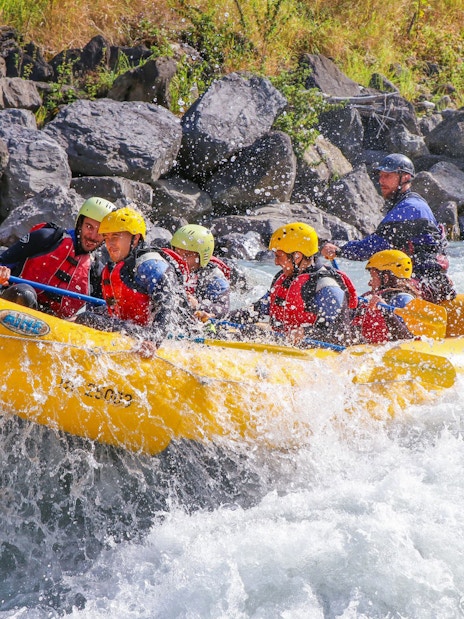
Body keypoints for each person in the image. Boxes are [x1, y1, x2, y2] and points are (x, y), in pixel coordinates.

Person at [321, 153, 456, 304]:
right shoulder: (408, 204)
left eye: (387, 176)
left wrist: (339, 249)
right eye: (380, 175)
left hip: (423, 284)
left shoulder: (410, 207)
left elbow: (373, 246)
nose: (381, 181)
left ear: (405, 177)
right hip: (432, 282)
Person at [78, 206, 194, 351]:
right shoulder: (114, 268)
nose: (110, 244)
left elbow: (167, 307)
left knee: (87, 319)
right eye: (107, 238)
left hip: (159, 336)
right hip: (136, 330)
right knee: (86, 316)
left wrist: (153, 341)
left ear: (136, 238)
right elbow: (118, 311)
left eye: (115, 237)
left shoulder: (151, 265)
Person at [228, 222, 358, 346]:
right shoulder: (284, 278)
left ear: (297, 256)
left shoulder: (326, 286)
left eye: (279, 256)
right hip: (286, 344)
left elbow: (340, 335)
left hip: (316, 356)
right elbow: (258, 310)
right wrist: (223, 318)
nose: (276, 262)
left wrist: (306, 333)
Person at [0, 196, 116, 318]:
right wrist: (2, 273)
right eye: (89, 227)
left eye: (100, 231)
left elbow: (106, 311)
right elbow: (3, 261)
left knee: (88, 318)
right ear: (80, 224)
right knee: (23, 293)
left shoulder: (96, 272)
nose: (92, 236)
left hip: (56, 325)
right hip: (16, 306)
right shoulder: (46, 237)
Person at [160, 224, 230, 321]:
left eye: (187, 255)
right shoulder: (169, 267)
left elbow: (223, 307)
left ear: (202, 256)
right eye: (177, 253)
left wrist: (198, 305)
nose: (180, 259)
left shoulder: (213, 276)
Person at [352, 249, 421, 344]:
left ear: (385, 278)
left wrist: (386, 311)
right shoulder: (370, 296)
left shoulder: (403, 299)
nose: (369, 283)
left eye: (373, 277)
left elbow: (408, 338)